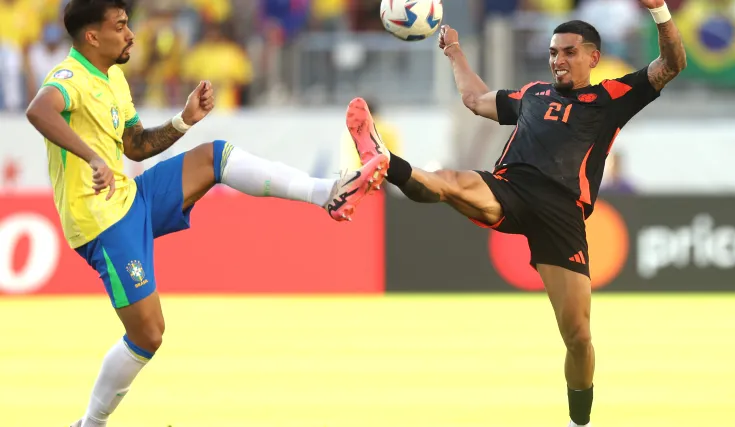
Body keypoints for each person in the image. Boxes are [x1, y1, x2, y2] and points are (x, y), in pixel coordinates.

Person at [25, 1, 389, 426]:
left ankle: (327, 192)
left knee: (214, 157)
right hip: (101, 224)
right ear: (92, 36)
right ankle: (90, 423)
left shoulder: (114, 79)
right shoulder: (69, 78)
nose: (130, 34)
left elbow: (136, 145)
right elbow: (39, 110)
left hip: (129, 197)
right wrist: (91, 158)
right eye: (121, 26)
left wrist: (183, 121)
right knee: (149, 335)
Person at [345, 1, 686, 425]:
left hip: (561, 214)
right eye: (552, 53)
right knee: (452, 183)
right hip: (510, 187)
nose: (557, 61)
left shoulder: (612, 97)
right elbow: (473, 99)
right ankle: (386, 162)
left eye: (568, 52)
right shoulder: (533, 94)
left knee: (578, 337)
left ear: (593, 57)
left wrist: (658, 12)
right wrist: (454, 52)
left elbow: (673, 63)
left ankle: (579, 422)